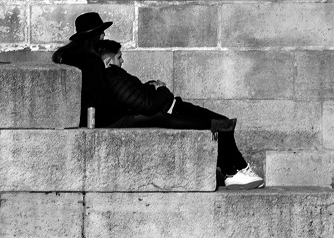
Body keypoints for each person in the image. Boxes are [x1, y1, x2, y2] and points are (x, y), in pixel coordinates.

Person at [93, 39, 263, 188]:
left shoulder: (115, 77)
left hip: (172, 106)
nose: (122, 61)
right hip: (171, 109)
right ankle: (236, 171)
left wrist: (151, 85)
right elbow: (147, 105)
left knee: (222, 121)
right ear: (108, 61)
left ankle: (236, 171)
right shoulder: (114, 78)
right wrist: (162, 90)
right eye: (119, 57)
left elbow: (137, 96)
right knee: (221, 122)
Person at [51, 11, 114, 128]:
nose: (104, 35)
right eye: (101, 32)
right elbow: (99, 97)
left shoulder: (66, 56)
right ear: (96, 36)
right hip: (90, 119)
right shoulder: (92, 61)